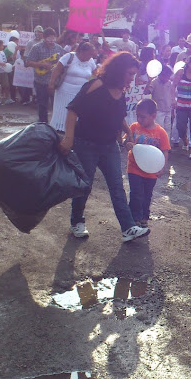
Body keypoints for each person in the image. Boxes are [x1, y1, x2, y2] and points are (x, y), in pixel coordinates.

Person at [58, 52, 151, 242]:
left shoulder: (121, 90)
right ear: (118, 70)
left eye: (134, 74)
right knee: (85, 185)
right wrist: (68, 138)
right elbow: (72, 110)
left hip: (109, 146)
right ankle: (77, 221)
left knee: (117, 186)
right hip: (86, 145)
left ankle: (128, 228)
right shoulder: (95, 85)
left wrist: (127, 133)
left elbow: (119, 116)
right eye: (129, 73)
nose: (132, 78)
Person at [123, 99, 170, 228]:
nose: (139, 119)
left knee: (147, 194)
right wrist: (127, 144)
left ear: (153, 116)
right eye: (137, 115)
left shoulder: (161, 133)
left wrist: (162, 167)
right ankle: (134, 217)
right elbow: (125, 140)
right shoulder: (133, 127)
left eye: (142, 117)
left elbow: (165, 151)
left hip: (151, 171)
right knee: (136, 193)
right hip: (134, 168)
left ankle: (144, 216)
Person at [48, 42, 97, 132]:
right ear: (82, 51)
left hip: (80, 93)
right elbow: (57, 69)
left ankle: (72, 131)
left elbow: (96, 74)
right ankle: (59, 130)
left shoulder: (91, 61)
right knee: (62, 112)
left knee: (75, 113)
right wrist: (51, 83)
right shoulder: (69, 57)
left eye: (92, 54)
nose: (91, 55)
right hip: (64, 91)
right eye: (89, 53)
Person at [25, 27, 65, 122]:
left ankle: (56, 124)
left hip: (55, 82)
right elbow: (28, 62)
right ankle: (43, 125)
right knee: (42, 105)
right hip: (41, 81)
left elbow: (64, 62)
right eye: (49, 39)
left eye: (53, 38)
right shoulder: (37, 47)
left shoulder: (59, 48)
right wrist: (42, 64)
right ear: (44, 37)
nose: (51, 41)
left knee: (56, 105)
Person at [144, 65, 175, 142]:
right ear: (161, 75)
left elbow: (172, 95)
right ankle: (158, 143)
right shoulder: (154, 82)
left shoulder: (169, 83)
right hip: (158, 109)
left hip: (168, 108)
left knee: (167, 128)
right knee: (159, 127)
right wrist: (149, 82)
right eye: (166, 76)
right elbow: (146, 92)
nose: (167, 78)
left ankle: (166, 144)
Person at [0, 40, 10, 104]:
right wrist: (0, 64)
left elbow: (5, 60)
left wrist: (5, 65)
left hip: (4, 71)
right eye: (1, 45)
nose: (2, 46)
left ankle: (6, 98)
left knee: (6, 85)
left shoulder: (2, 52)